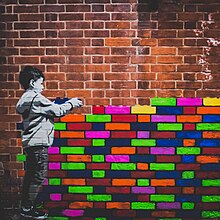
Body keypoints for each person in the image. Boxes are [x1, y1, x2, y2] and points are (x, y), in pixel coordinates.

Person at [16, 66, 82, 219]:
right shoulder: (36, 98)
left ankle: (25, 207)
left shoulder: (26, 99)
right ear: (33, 83)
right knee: (38, 175)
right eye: (41, 83)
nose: (43, 86)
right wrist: (72, 103)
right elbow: (57, 111)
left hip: (31, 143)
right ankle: (27, 209)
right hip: (39, 144)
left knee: (31, 175)